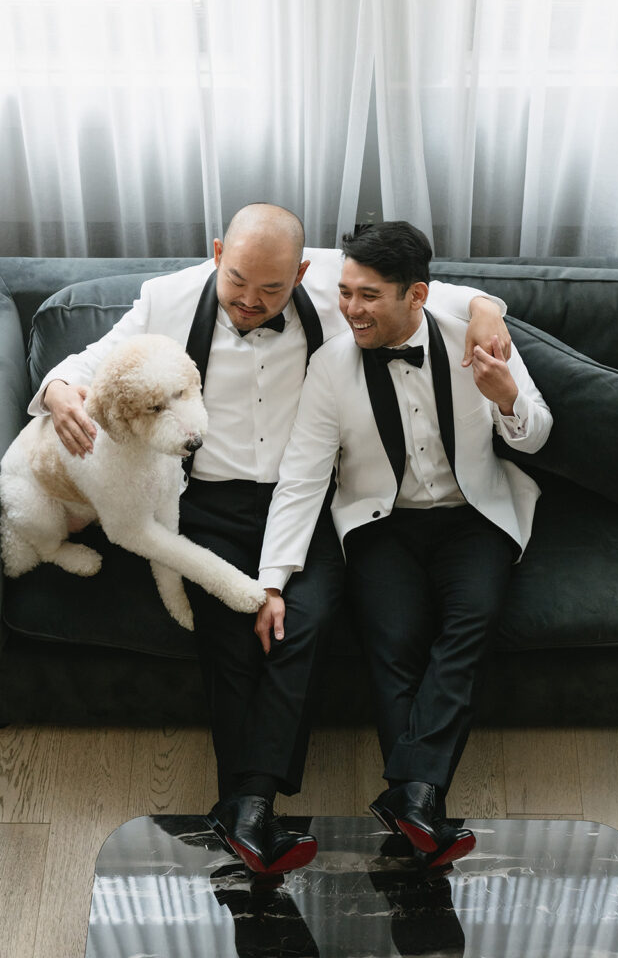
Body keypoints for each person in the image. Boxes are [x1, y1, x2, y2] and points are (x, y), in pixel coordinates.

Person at [32, 204, 511, 876]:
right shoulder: (166, 299)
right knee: (230, 631)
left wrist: (487, 307)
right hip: (205, 502)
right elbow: (89, 361)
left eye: (272, 289)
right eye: (237, 281)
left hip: (301, 499)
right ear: (217, 252)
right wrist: (58, 389)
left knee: (300, 624)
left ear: (303, 273)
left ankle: (246, 809)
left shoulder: (331, 287)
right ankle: (250, 807)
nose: (251, 301)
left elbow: (423, 291)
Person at [257, 220, 553, 868]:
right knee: (392, 645)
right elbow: (303, 477)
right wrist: (273, 579)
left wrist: (508, 401)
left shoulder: (475, 336)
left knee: (468, 627)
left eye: (368, 296)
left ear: (416, 295)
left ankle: (411, 796)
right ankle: (419, 804)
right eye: (345, 292)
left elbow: (536, 435)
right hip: (380, 523)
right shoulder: (330, 366)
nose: (351, 309)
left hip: (472, 516)